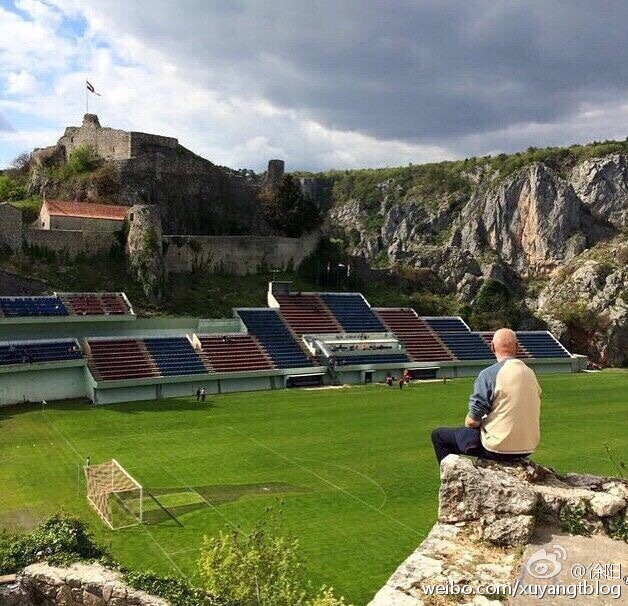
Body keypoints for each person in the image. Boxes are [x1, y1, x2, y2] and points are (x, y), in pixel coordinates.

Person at [430, 328, 541, 465]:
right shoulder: (530, 373)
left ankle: (453, 479)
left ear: (492, 346)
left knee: (439, 435)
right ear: (517, 347)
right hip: (527, 446)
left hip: (498, 447)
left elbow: (471, 421)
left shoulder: (489, 374)